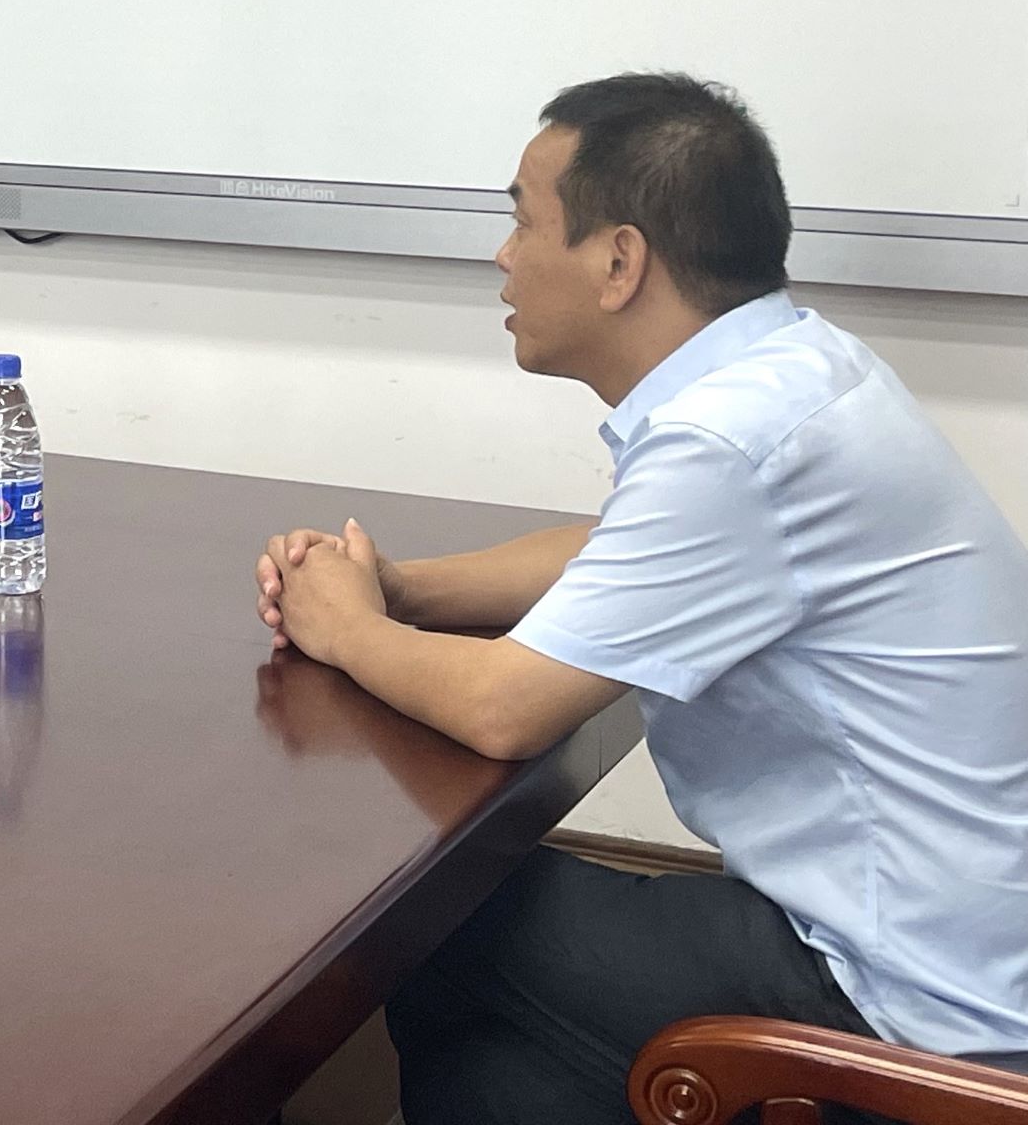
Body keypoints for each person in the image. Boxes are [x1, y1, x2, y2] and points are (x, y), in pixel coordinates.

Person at [252, 73, 1028, 1121]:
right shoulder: (797, 369)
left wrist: (346, 627)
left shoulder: (728, 440)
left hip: (917, 1003)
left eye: (524, 222)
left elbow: (502, 708)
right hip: (969, 941)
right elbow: (617, 547)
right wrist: (404, 587)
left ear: (619, 261)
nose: (502, 254)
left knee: (430, 924)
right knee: (494, 1048)